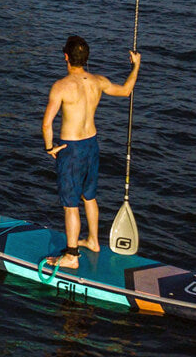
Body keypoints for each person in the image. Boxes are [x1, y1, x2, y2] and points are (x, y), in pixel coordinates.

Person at [41, 35, 140, 269]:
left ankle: (72, 256)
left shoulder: (61, 86)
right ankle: (93, 241)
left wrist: (49, 147)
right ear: (86, 59)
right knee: (89, 196)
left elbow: (47, 124)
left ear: (66, 57)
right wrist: (136, 66)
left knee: (70, 204)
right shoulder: (98, 81)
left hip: (71, 149)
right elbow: (126, 91)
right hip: (92, 144)